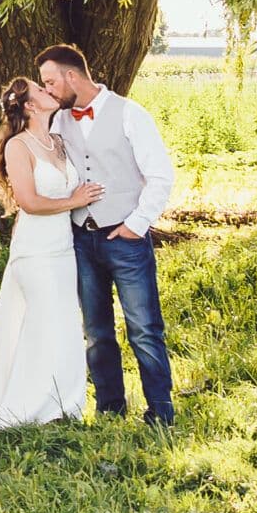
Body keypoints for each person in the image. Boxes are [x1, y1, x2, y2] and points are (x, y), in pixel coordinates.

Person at [0, 76, 105, 432]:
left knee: (65, 323)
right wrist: (74, 201)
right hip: (35, 249)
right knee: (42, 323)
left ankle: (63, 403)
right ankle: (30, 405)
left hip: (63, 249)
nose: (47, 90)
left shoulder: (58, 141)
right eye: (39, 89)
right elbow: (30, 202)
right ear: (30, 106)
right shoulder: (18, 147)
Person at [39, 42, 178, 426]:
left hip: (126, 240)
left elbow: (160, 176)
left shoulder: (130, 114)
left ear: (71, 76)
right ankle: (109, 408)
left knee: (144, 328)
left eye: (50, 82)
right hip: (81, 240)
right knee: (96, 331)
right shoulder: (59, 121)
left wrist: (136, 224)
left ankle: (161, 411)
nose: (48, 90)